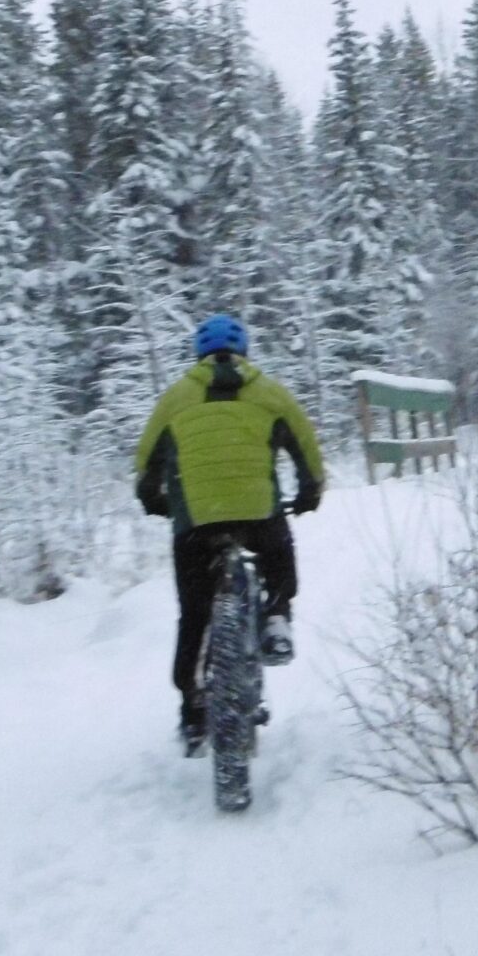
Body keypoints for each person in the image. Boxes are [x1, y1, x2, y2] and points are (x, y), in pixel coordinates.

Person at [133, 313, 327, 753]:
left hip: (197, 524)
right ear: (244, 351)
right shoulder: (270, 392)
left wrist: (154, 500)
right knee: (278, 550)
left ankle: (192, 711)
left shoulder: (175, 398)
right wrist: (311, 491)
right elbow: (307, 448)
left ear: (198, 353)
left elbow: (146, 464)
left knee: (194, 613)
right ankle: (276, 617)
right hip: (258, 515)